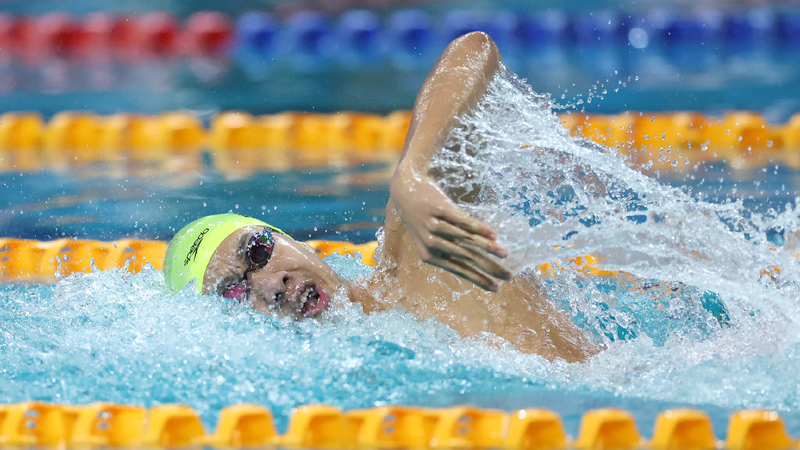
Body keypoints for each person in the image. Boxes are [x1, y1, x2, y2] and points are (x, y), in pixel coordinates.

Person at [163, 32, 597, 363]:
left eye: (258, 251)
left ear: (286, 236)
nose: (268, 285)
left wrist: (413, 172)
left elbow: (473, 51)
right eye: (234, 294)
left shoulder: (422, 252)